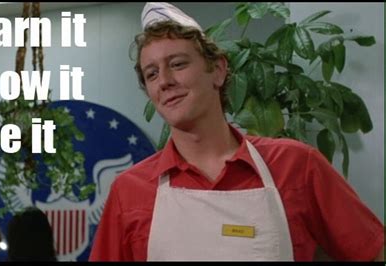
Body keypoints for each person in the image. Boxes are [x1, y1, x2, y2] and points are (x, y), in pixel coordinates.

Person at [89, 2, 384, 262]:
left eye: (177, 64)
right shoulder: (129, 191)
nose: (164, 81)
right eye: (151, 74)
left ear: (217, 70)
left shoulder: (297, 166)